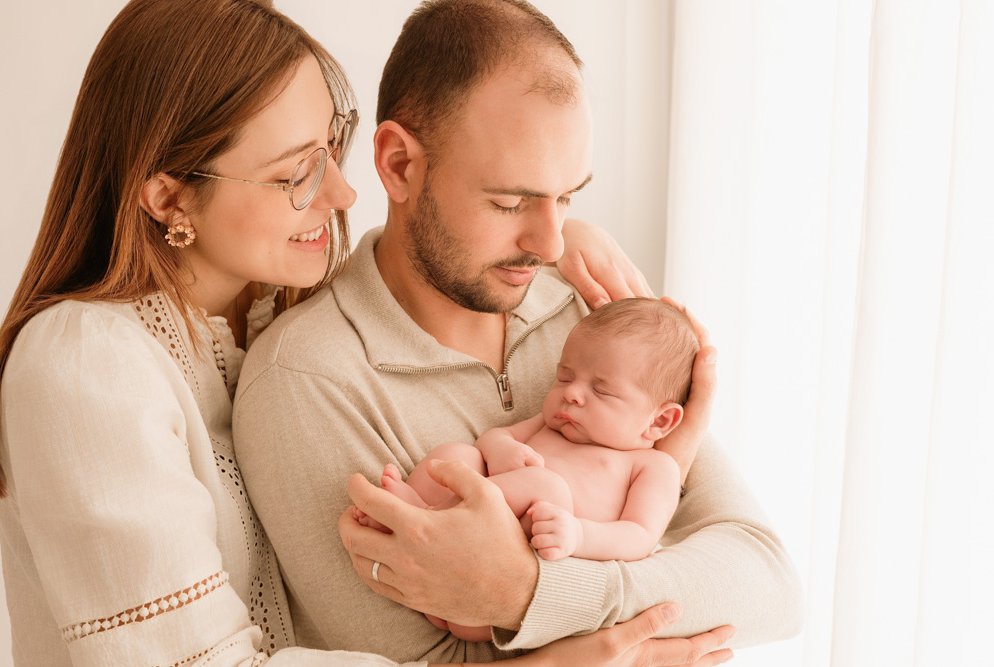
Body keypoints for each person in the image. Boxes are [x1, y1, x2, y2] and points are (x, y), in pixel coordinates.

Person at [0, 1, 738, 666]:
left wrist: (549, 230)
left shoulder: (259, 319)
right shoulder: (88, 365)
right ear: (167, 197)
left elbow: (763, 582)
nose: (346, 192)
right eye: (295, 173)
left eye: (331, 148)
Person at [233, 0, 804, 664]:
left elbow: (768, 588)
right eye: (510, 202)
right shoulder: (306, 381)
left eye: (567, 198)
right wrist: (632, 644)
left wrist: (523, 590)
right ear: (399, 165)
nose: (551, 243)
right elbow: (438, 660)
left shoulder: (592, 312)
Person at [361, 297, 699, 642]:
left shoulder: (655, 466)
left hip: (507, 583)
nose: (572, 394)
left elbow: (640, 536)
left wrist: (578, 534)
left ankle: (427, 521)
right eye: (564, 377)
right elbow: (494, 437)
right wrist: (502, 448)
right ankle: (417, 512)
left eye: (601, 390)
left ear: (659, 421)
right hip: (462, 553)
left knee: (546, 486)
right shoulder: (553, 423)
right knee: (458, 455)